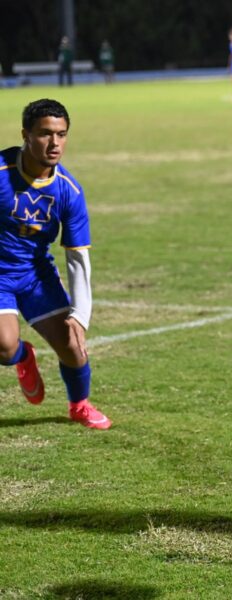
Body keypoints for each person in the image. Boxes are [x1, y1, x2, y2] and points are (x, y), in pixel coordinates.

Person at [0, 99, 110, 429]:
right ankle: (22, 357)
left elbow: (77, 257)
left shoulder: (68, 191)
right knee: (4, 347)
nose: (55, 143)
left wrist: (80, 316)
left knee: (74, 348)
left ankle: (80, 406)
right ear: (26, 135)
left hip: (37, 276)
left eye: (62, 135)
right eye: (46, 134)